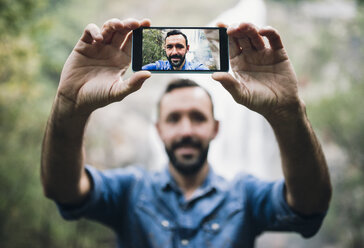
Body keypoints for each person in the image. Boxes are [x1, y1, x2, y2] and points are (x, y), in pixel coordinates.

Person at [41, 18, 332, 247]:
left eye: (197, 117)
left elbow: (308, 206)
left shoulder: (244, 195)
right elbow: (64, 190)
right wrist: (69, 107)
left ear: (216, 128)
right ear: (158, 129)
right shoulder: (130, 191)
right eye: (174, 118)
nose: (186, 130)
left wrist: (288, 113)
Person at [142, 29, 208, 70]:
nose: (174, 52)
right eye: (169, 47)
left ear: (187, 49)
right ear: (165, 49)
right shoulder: (159, 66)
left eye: (179, 47)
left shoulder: (197, 68)